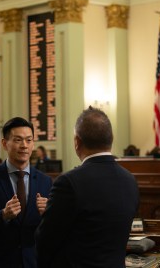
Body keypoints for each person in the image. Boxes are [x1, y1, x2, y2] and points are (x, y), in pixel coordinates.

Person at [35, 106, 139, 267]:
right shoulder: (130, 180)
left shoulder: (68, 183)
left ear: (77, 142)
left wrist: (51, 213)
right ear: (111, 139)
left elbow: (45, 242)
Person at [0, 117, 53, 268]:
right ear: (4, 143)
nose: (24, 146)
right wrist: (2, 215)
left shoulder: (45, 181)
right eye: (18, 140)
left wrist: (49, 214)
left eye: (29, 140)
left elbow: (54, 230)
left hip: (34, 262)